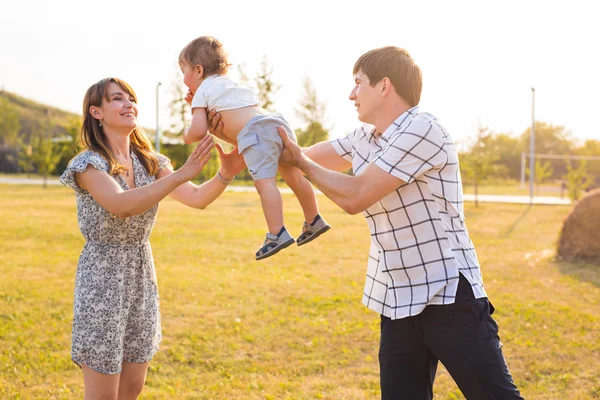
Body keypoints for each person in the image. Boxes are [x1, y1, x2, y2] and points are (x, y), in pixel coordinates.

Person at [271, 47, 523, 399]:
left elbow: (355, 195)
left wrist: (301, 161)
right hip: (399, 299)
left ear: (384, 86)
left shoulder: (423, 129)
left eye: (358, 83)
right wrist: (245, 134)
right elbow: (294, 157)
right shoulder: (365, 138)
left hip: (448, 295)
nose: (351, 94)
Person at [59, 77, 245, 400]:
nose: (128, 103)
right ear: (96, 112)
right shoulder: (88, 164)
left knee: (132, 388)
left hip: (142, 275)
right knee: (103, 394)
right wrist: (182, 174)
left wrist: (225, 173)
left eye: (131, 98)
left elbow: (198, 197)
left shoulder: (151, 161)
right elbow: (122, 205)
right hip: (102, 278)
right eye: (117, 99)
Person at [178, 35, 331, 260]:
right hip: (276, 122)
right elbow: (235, 119)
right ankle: (314, 219)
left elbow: (198, 130)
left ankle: (277, 232)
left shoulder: (203, 90)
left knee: (265, 184)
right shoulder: (232, 84)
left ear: (198, 70)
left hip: (256, 131)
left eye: (184, 72)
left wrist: (186, 134)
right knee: (295, 177)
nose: (184, 79)